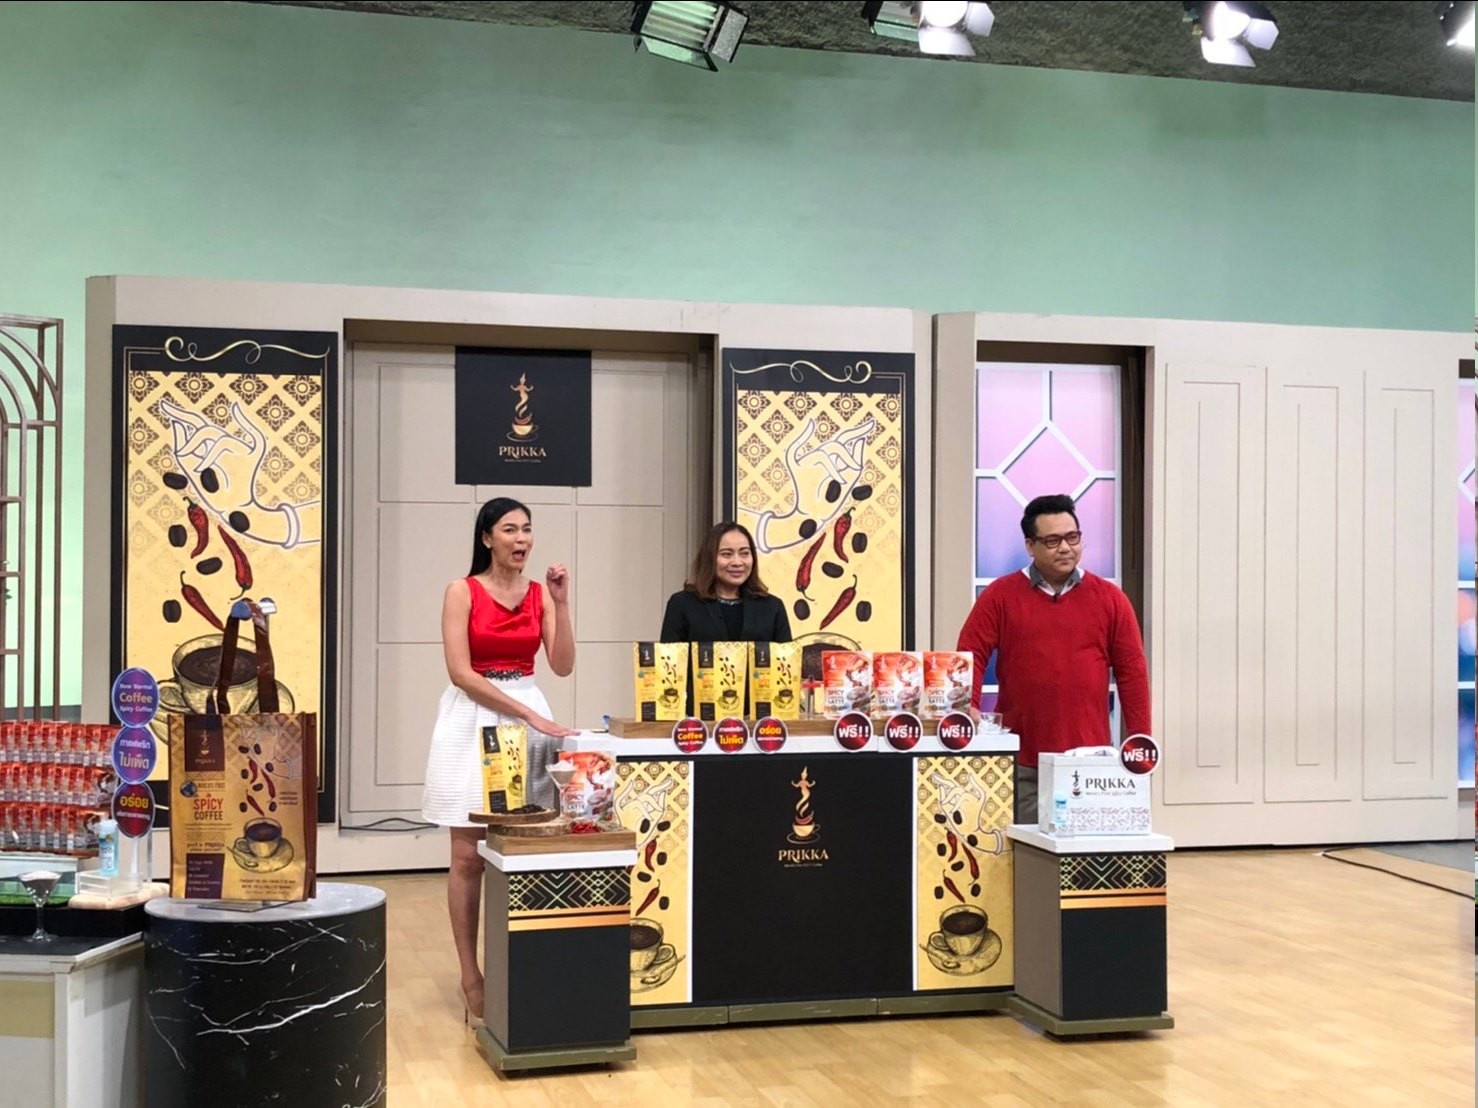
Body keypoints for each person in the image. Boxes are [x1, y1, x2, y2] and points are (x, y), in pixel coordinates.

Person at [421, 497, 577, 1021]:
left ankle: (523, 966)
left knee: (526, 845)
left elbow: (562, 665)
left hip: (529, 708)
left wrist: (562, 604)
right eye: (509, 529)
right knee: (468, 855)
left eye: (527, 529)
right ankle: (471, 976)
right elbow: (460, 673)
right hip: (474, 716)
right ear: (487, 538)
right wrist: (525, 715)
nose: (521, 539)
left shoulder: (539, 594)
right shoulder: (460, 591)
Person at [956, 493, 1150, 825]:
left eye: (1072, 537)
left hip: (1090, 760)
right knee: (1024, 849)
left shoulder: (1110, 599)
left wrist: (1140, 737)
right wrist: (967, 707)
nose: (1065, 548)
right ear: (1030, 546)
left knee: (1084, 850)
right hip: (1023, 757)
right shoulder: (1000, 595)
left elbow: (1132, 672)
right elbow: (969, 655)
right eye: (1052, 540)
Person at [660, 521, 792, 644]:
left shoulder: (772, 607)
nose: (737, 562)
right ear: (710, 558)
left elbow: (786, 659)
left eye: (744, 553)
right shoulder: (682, 604)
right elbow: (669, 658)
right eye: (727, 554)